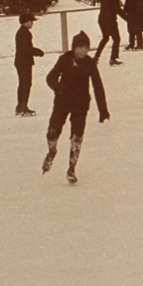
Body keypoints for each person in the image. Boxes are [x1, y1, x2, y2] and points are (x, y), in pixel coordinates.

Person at [42, 30, 109, 184]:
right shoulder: (64, 59)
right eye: (80, 47)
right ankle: (52, 152)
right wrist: (58, 88)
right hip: (62, 102)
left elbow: (98, 86)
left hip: (81, 104)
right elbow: (50, 77)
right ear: (74, 48)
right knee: (53, 132)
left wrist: (103, 109)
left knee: (76, 138)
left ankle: (72, 169)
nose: (83, 51)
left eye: (86, 48)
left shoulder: (90, 63)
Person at [14, 12, 45, 116]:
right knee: (26, 83)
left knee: (23, 83)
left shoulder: (22, 31)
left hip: (20, 61)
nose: (32, 23)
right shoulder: (25, 33)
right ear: (26, 22)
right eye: (31, 21)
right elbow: (25, 49)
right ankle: (23, 106)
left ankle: (20, 106)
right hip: (24, 62)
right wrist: (38, 52)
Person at [93, 0, 124, 66]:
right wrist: (129, 19)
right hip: (110, 21)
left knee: (105, 38)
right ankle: (113, 59)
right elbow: (118, 10)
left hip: (102, 20)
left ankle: (96, 57)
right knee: (116, 39)